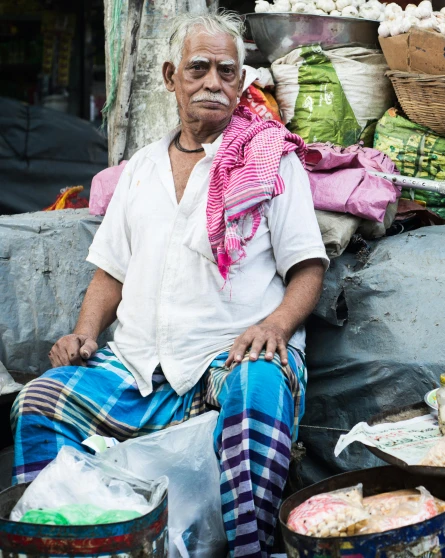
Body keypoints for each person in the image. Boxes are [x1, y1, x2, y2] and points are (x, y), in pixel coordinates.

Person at [11, 11, 328, 558]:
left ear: (242, 81)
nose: (213, 83)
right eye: (198, 68)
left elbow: (308, 266)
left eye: (228, 72)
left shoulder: (269, 162)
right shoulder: (139, 170)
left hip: (228, 356)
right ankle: (62, 541)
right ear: (170, 77)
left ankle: (249, 552)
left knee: (259, 393)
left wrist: (275, 326)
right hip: (138, 366)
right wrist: (84, 334)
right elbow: (110, 271)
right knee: (40, 402)